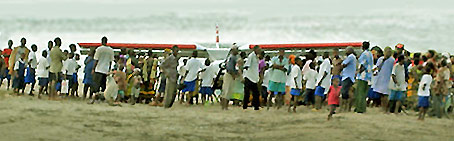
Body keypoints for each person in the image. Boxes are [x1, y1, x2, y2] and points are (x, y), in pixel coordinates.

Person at [88, 37, 114, 104]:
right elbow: (111, 61)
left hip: (98, 69)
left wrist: (93, 68)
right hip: (105, 70)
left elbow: (96, 60)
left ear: (101, 41)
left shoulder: (99, 49)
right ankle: (102, 99)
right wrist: (109, 70)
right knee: (103, 86)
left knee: (96, 85)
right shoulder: (111, 50)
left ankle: (95, 99)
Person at [372, 47, 395, 113]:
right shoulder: (383, 59)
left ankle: (385, 108)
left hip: (385, 78)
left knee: (385, 94)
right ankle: (383, 108)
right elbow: (378, 67)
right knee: (382, 94)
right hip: (383, 78)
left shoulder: (391, 60)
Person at [355, 42, 374, 113]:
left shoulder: (364, 54)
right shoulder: (370, 54)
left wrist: (358, 72)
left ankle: (359, 109)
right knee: (364, 94)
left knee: (360, 93)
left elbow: (362, 65)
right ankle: (363, 108)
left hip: (362, 76)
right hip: (368, 76)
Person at [243, 45, 261, 110]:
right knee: (247, 93)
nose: (260, 51)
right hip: (249, 77)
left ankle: (256, 106)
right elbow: (246, 66)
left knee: (256, 93)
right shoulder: (251, 56)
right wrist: (244, 75)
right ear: (255, 50)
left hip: (254, 77)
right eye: (259, 49)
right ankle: (245, 106)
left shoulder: (257, 57)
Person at [221, 46, 239, 110]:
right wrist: (234, 75)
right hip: (229, 75)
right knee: (228, 91)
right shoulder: (232, 58)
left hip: (227, 74)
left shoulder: (229, 57)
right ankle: (225, 106)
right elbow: (230, 68)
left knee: (225, 90)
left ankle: (224, 106)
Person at [340, 47, 357, 112]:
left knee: (344, 93)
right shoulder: (353, 57)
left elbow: (343, 64)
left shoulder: (350, 57)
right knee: (348, 92)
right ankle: (348, 108)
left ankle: (344, 107)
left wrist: (341, 64)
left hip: (347, 77)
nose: (345, 51)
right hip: (350, 76)